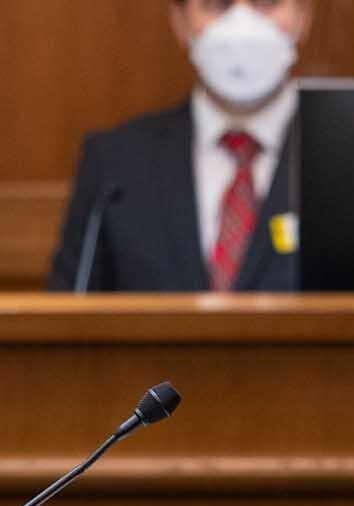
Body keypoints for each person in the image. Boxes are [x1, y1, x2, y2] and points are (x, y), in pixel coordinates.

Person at [47, 0, 311, 293]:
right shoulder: (115, 164)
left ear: (303, 15)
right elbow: (69, 316)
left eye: (266, 3)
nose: (242, 25)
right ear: (181, 22)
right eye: (217, 4)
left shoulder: (352, 164)